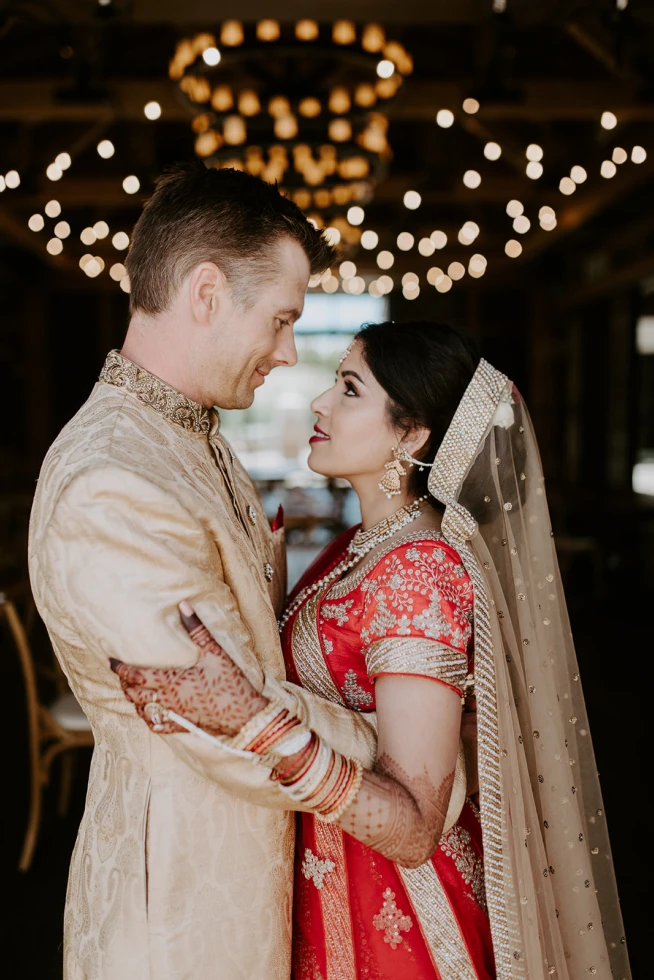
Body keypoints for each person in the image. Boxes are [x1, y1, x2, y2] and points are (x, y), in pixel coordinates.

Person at [114, 321, 631, 980]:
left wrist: (250, 717)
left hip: (400, 916)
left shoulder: (418, 569)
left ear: (411, 433)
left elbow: (416, 828)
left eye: (350, 389)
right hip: (332, 874)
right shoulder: (365, 544)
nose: (320, 404)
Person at [28, 164, 440, 980]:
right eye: (282, 319)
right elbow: (223, 731)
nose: (289, 355)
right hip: (180, 909)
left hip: (253, 866)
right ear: (207, 292)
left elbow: (249, 691)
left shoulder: (189, 434)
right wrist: (408, 761)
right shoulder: (112, 482)